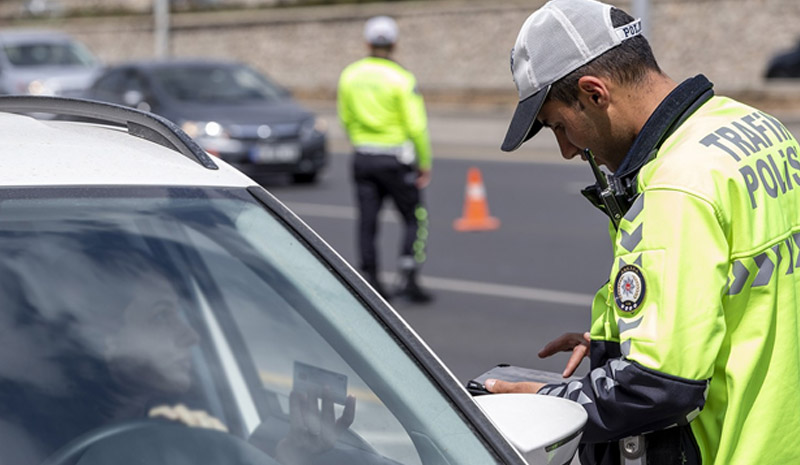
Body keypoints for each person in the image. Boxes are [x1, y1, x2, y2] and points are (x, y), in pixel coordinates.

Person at [485, 0, 800, 464]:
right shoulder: (754, 128)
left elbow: (660, 385)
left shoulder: (675, 185)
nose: (568, 149)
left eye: (558, 125)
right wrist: (630, 335)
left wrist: (549, 402)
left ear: (594, 93)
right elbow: (755, 291)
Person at [337, 15, 434, 303]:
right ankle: (408, 275)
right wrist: (424, 161)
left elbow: (346, 117)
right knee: (414, 217)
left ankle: (371, 278)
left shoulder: (350, 75)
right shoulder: (401, 78)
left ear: (367, 42)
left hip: (364, 156)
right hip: (396, 159)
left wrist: (360, 141)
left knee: (368, 220)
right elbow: (416, 126)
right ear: (394, 44)